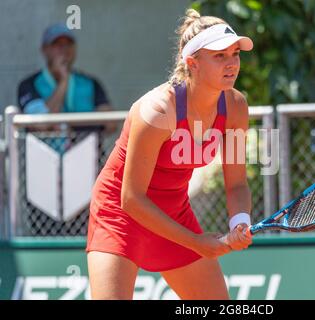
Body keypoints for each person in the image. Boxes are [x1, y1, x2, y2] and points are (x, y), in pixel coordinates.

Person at [86, 9, 254, 300]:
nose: (232, 64)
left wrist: (239, 221)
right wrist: (195, 242)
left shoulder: (236, 107)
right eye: (219, 56)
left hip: (174, 213)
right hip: (120, 215)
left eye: (235, 54)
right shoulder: (157, 111)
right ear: (193, 63)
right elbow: (131, 198)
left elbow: (237, 184)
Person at [17, 22, 113, 115]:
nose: (64, 49)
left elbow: (110, 124)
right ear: (44, 49)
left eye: (69, 44)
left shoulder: (90, 82)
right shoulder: (29, 84)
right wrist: (63, 81)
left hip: (89, 132)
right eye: (57, 44)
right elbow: (40, 124)